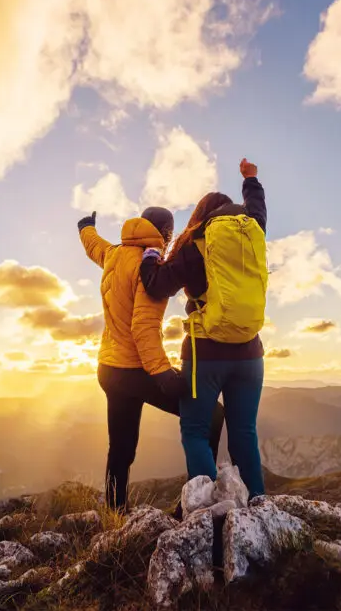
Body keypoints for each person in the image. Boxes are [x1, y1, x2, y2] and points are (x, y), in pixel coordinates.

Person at [77, 207, 224, 512]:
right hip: (136, 370)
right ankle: (194, 505)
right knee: (211, 415)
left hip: (108, 369)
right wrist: (162, 373)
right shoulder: (152, 267)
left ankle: (115, 515)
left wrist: (85, 227)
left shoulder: (115, 254)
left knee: (121, 448)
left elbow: (95, 247)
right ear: (167, 235)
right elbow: (143, 327)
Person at [139, 158, 267, 498]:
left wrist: (151, 253)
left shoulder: (195, 243)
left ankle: (207, 515)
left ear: (202, 216)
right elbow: (258, 207)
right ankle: (257, 509)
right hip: (250, 352)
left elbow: (155, 285)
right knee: (244, 433)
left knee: (195, 432)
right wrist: (250, 179)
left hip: (205, 352)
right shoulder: (251, 229)